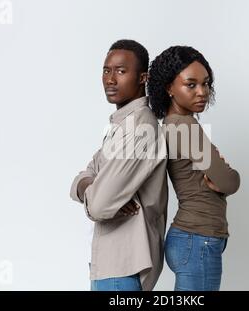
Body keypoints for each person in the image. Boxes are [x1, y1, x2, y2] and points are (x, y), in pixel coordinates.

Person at [70, 39, 168, 291]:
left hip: (121, 269)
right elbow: (83, 176)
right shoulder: (122, 125)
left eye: (121, 71)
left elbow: (101, 205)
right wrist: (92, 185)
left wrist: (95, 191)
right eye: (106, 70)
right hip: (110, 265)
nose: (110, 79)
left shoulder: (139, 127)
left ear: (142, 78)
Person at [147, 46, 240, 291]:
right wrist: (226, 176)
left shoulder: (172, 125)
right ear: (169, 88)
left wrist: (220, 177)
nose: (202, 92)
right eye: (191, 85)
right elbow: (230, 182)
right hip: (198, 238)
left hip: (192, 238)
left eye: (206, 84)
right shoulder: (184, 128)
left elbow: (221, 179)